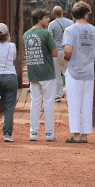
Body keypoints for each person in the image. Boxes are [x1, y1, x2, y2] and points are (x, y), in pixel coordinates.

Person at [62, 1, 95, 144]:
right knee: (87, 103)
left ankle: (76, 135)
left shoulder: (70, 30)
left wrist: (67, 58)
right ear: (86, 14)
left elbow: (68, 50)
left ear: (73, 14)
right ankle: (85, 134)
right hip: (89, 71)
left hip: (74, 71)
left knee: (74, 103)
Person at [23, 8, 59, 141]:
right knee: (49, 102)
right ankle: (49, 133)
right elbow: (55, 53)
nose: (49, 19)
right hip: (47, 72)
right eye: (46, 17)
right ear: (39, 19)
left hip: (33, 72)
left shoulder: (26, 34)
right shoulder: (46, 33)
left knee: (35, 102)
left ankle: (33, 133)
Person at [48, 6, 73, 101]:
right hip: (68, 51)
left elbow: (50, 38)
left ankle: (58, 94)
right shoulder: (70, 22)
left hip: (57, 52)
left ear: (53, 14)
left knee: (57, 74)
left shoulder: (52, 24)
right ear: (63, 12)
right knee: (68, 74)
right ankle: (69, 94)